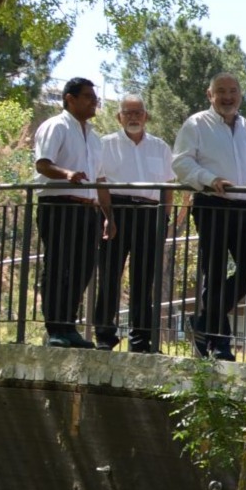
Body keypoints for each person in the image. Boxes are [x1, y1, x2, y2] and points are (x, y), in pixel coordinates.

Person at [172, 73, 246, 360]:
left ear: (240, 94)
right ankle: (220, 345)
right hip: (211, 204)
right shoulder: (196, 124)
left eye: (233, 91)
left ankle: (203, 322)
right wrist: (209, 179)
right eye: (221, 91)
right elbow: (180, 163)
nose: (227, 97)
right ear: (209, 94)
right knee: (213, 274)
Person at [31, 78, 114, 349]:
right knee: (58, 266)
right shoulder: (56, 126)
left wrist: (109, 217)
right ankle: (55, 328)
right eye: (88, 97)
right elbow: (43, 165)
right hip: (60, 205)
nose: (94, 102)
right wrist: (67, 174)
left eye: (95, 98)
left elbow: (100, 180)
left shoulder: (95, 137)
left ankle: (69, 325)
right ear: (70, 99)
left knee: (83, 268)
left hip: (89, 210)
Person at [91, 94, 175, 352]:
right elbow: (100, 182)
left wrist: (165, 218)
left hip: (150, 214)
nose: (134, 117)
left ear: (146, 116)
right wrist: (108, 216)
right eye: (128, 112)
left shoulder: (160, 147)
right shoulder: (105, 144)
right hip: (115, 211)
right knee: (109, 276)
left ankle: (141, 340)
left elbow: (168, 186)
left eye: (138, 112)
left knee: (144, 280)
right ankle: (104, 335)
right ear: (119, 117)